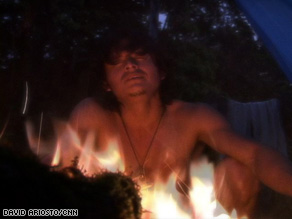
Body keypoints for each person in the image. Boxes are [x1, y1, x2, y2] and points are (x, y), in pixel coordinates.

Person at [64, 29, 292, 217]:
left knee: (239, 172)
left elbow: (254, 155)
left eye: (140, 57)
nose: (130, 65)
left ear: (161, 71)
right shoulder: (91, 114)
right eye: (117, 62)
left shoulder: (193, 117)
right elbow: (62, 173)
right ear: (106, 84)